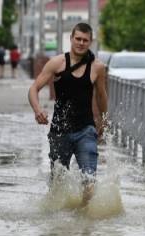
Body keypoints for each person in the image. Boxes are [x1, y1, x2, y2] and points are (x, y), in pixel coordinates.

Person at [28, 23, 108, 205]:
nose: (81, 43)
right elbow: (34, 88)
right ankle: (58, 223)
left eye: (85, 40)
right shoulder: (57, 63)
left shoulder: (97, 67)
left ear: (90, 42)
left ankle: (83, 217)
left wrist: (104, 120)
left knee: (89, 179)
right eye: (78, 39)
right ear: (71, 39)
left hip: (85, 130)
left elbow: (102, 96)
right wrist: (37, 110)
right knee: (58, 182)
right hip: (59, 131)